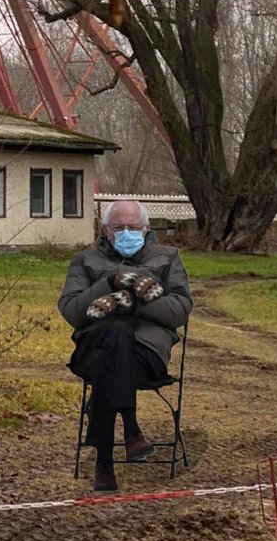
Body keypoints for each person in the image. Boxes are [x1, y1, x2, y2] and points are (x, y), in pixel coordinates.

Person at [58, 199, 192, 493]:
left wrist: (130, 304)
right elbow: (72, 312)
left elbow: (180, 311)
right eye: (119, 227)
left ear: (146, 228)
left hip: (146, 356)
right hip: (92, 347)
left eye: (133, 226)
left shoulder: (168, 257)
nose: (127, 232)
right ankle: (131, 430)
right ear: (106, 229)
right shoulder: (84, 261)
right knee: (115, 336)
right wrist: (110, 282)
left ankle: (104, 463)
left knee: (110, 350)